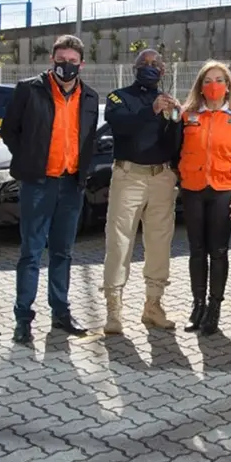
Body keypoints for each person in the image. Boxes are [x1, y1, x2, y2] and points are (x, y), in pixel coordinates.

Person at [0, 34, 99, 344]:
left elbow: (89, 140)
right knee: (30, 252)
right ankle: (23, 318)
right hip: (38, 184)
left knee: (63, 252)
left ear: (81, 64)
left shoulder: (90, 97)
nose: (66, 66)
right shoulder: (30, 90)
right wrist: (30, 161)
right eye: (61, 60)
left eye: (72, 61)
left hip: (71, 187)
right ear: (52, 60)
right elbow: (9, 131)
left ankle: (60, 312)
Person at [99, 49, 181, 335]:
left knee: (159, 243)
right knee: (119, 243)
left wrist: (175, 119)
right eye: (144, 63)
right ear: (134, 68)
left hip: (161, 178)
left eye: (156, 64)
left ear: (164, 72)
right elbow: (120, 124)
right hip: (128, 176)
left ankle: (153, 305)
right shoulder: (119, 97)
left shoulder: (168, 102)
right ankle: (114, 309)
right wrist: (152, 111)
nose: (150, 67)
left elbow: (175, 142)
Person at [175, 60, 231, 335]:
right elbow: (175, 150)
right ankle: (197, 305)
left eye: (219, 80)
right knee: (196, 250)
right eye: (208, 80)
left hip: (225, 190)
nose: (214, 85)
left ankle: (214, 308)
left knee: (218, 251)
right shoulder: (187, 115)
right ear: (200, 86)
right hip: (194, 189)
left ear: (228, 85)